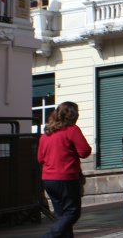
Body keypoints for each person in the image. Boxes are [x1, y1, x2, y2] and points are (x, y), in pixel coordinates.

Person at [37, 101, 92, 238]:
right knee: (72, 212)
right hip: (66, 178)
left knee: (61, 216)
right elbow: (85, 151)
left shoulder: (46, 134)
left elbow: (40, 158)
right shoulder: (72, 130)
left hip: (48, 179)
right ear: (73, 115)